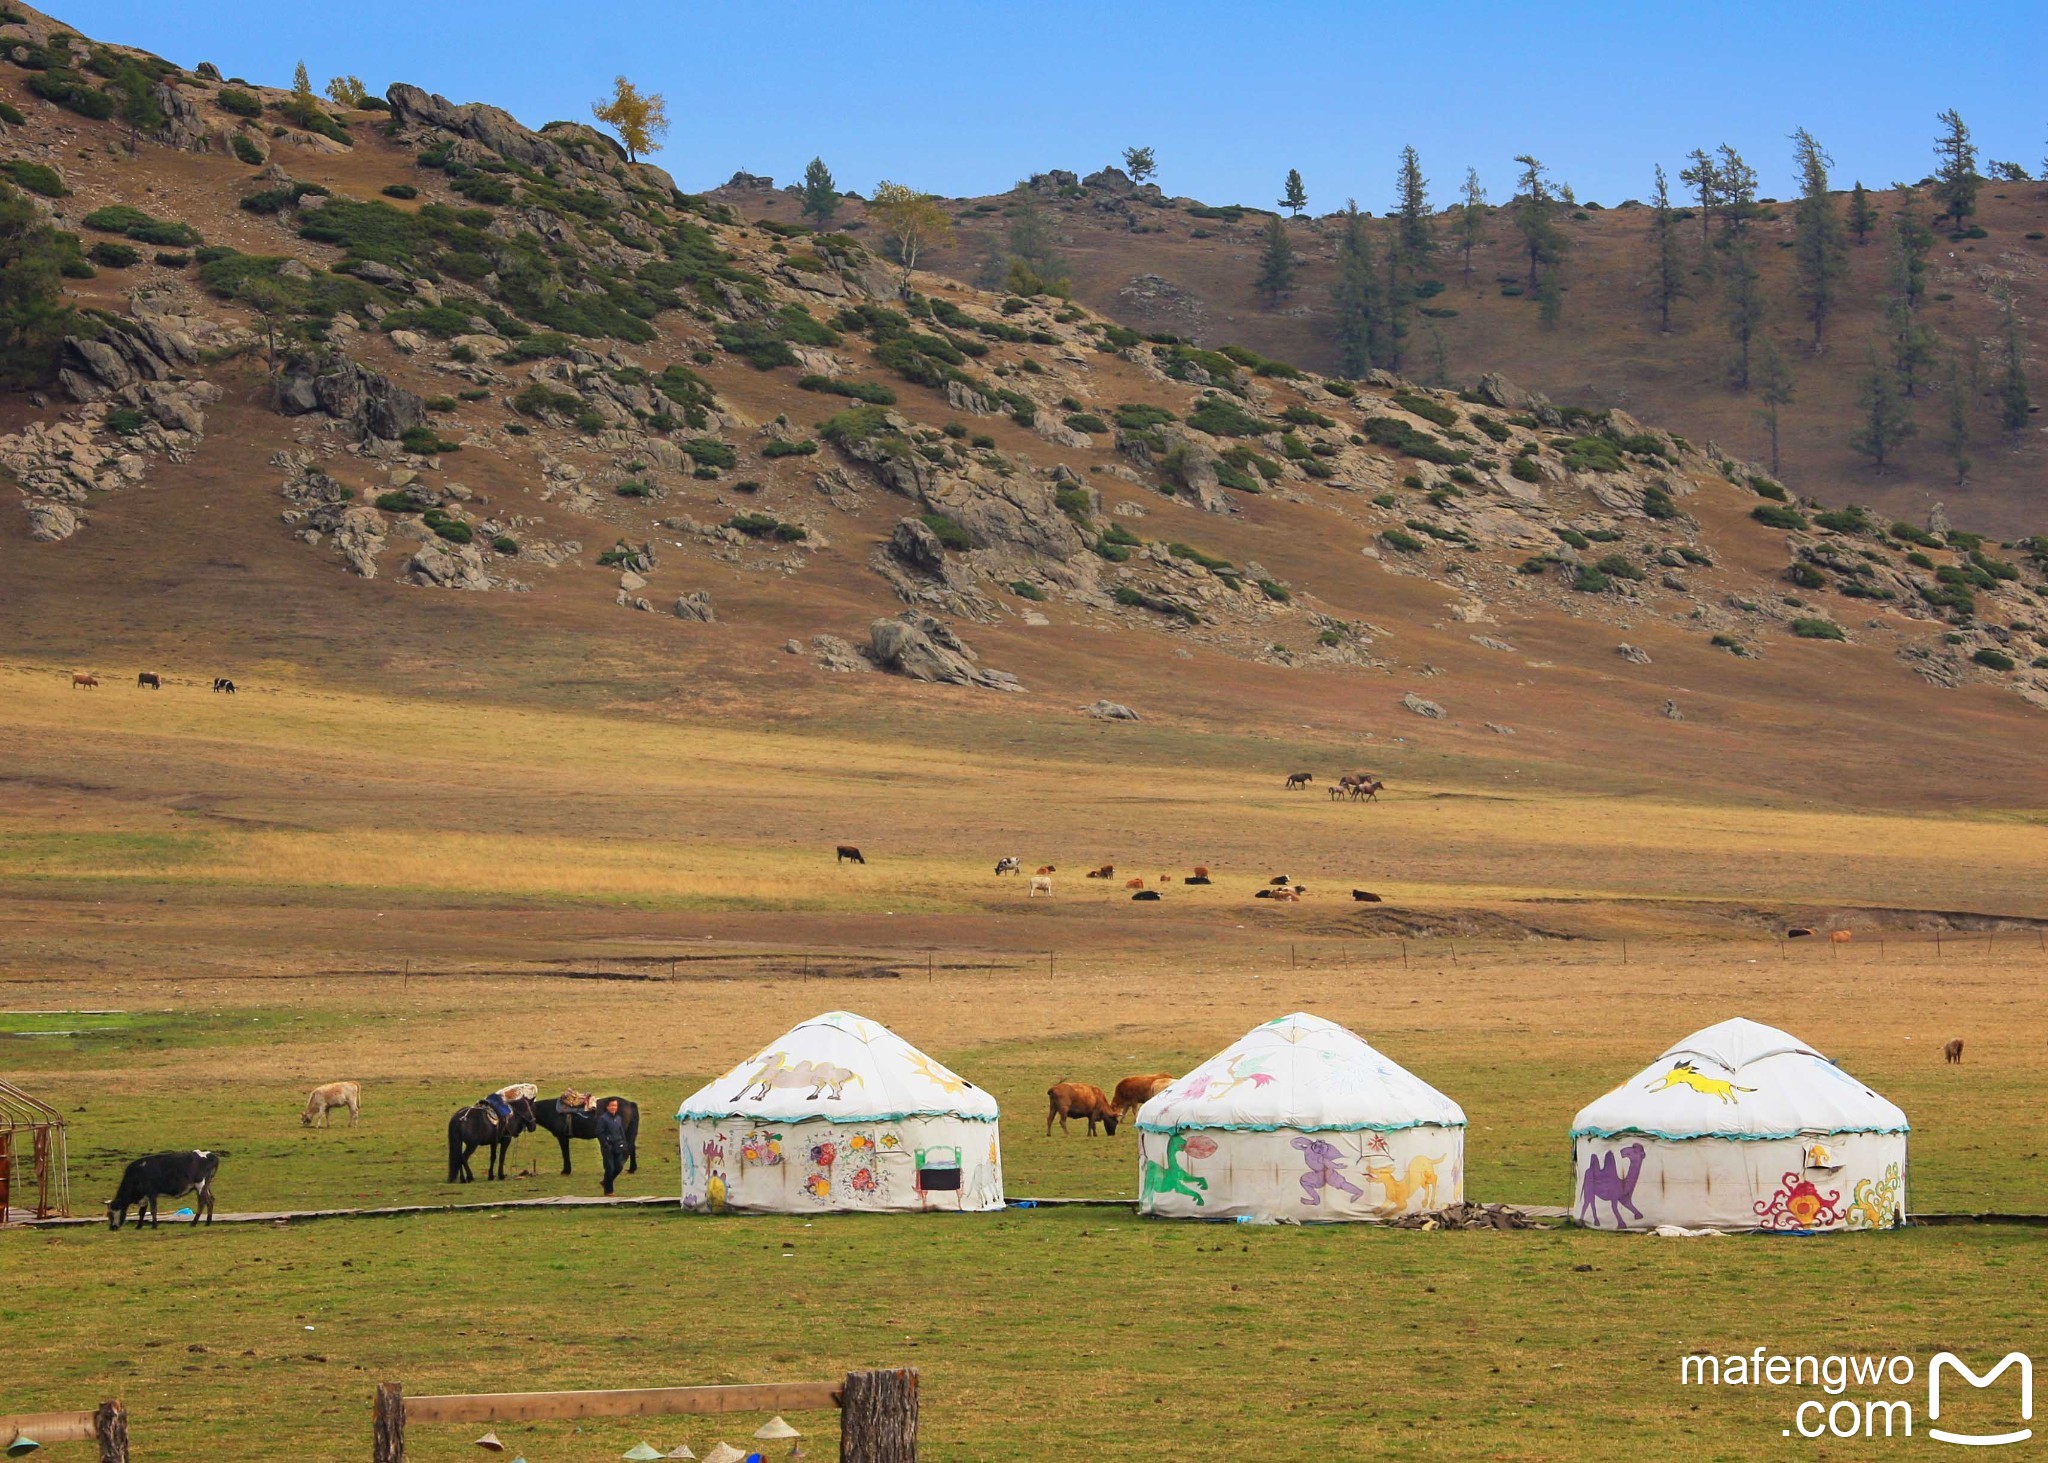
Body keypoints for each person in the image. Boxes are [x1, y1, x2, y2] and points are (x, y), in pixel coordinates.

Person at [597, 1097, 628, 1196]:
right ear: (607, 1107)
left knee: (619, 1166)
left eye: (615, 1105)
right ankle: (608, 1191)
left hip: (618, 1146)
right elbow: (599, 1133)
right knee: (609, 1168)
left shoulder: (618, 1118)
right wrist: (605, 1144)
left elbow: (621, 1131)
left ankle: (605, 1182)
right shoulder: (603, 1119)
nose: (613, 1107)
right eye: (612, 1105)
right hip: (608, 1147)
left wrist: (624, 1143)